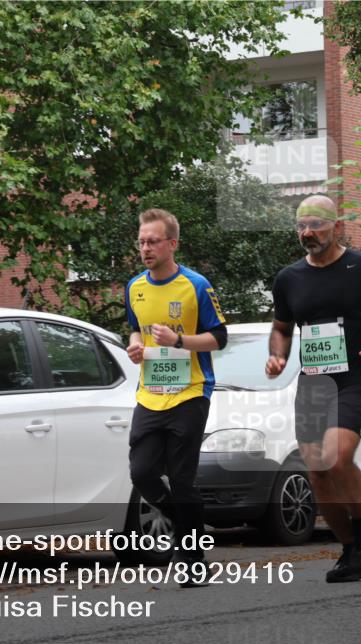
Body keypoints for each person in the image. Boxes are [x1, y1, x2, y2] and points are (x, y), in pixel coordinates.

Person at [265, 195, 361, 583]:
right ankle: (351, 548)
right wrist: (277, 356)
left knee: (336, 455)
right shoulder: (289, 278)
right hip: (313, 381)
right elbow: (281, 328)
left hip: (355, 376)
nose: (308, 233)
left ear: (337, 226)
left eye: (316, 225)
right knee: (317, 472)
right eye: (301, 226)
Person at [125, 208, 228, 587]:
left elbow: (219, 338)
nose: (145, 248)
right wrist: (136, 347)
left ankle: (193, 561)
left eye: (153, 241)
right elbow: (136, 330)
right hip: (150, 393)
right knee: (142, 472)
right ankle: (190, 525)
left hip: (190, 391)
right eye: (141, 241)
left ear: (172, 243)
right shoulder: (135, 286)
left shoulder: (196, 285)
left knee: (183, 479)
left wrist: (179, 340)